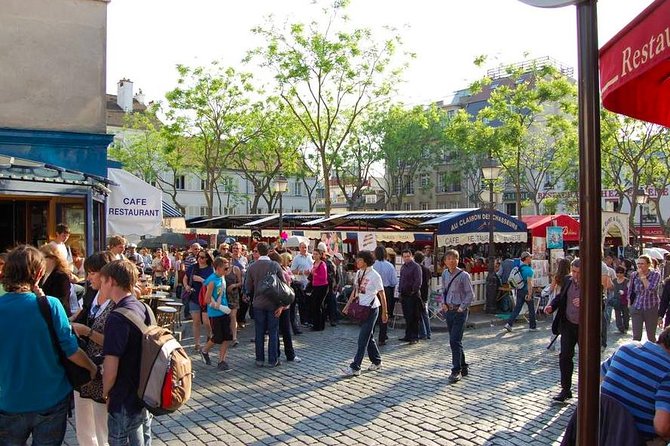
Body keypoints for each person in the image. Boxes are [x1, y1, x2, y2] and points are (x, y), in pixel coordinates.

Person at [0, 245, 97, 445]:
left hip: (9, 399)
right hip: (50, 398)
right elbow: (71, 351)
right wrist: (92, 367)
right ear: (38, 274)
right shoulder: (50, 305)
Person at [101, 259, 154, 446]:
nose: (101, 286)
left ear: (112, 281)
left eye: (103, 281)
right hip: (142, 391)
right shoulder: (142, 307)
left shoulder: (117, 317)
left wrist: (106, 393)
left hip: (123, 394)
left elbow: (111, 364)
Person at [70, 251, 115, 446]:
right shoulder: (91, 294)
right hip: (82, 367)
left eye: (92, 273)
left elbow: (116, 343)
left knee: (102, 428)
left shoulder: (116, 302)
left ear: (106, 275)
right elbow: (77, 317)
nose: (87, 277)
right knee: (84, 428)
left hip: (103, 372)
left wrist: (87, 332)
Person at [600, 326, 670, 442]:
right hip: (634, 439)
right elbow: (661, 427)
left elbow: (599, 375)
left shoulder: (626, 348)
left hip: (601, 430)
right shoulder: (667, 371)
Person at [342, 250, 388, 376]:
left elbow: (382, 294)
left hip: (372, 309)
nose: (357, 261)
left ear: (366, 261)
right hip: (361, 308)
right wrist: (347, 305)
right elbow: (355, 291)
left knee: (363, 338)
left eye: (360, 260)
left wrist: (385, 312)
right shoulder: (359, 273)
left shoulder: (374, 275)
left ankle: (356, 367)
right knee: (369, 337)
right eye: (357, 259)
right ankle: (377, 361)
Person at [544, 258, 581, 402]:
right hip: (568, 324)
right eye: (574, 272)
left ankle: (586, 389)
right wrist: (552, 306)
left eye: (579, 272)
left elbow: (600, 302)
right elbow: (561, 297)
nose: (576, 275)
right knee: (565, 357)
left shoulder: (592, 281)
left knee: (586, 359)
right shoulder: (568, 280)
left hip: (584, 327)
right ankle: (565, 389)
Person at [246, 242, 285, 367]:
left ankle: (259, 359)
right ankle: (273, 360)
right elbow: (283, 285)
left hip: (258, 303)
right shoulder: (275, 265)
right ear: (268, 251)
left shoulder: (252, 267)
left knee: (259, 332)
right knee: (273, 332)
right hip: (273, 302)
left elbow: (248, 286)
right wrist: (282, 305)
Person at [440, 250, 474, 384]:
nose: (451, 261)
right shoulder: (444, 274)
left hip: (459, 311)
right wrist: (443, 303)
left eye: (454, 259)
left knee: (454, 340)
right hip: (449, 310)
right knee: (456, 340)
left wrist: (462, 307)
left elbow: (470, 294)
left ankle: (456, 370)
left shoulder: (464, 275)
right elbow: (443, 290)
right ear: (445, 261)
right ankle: (464, 366)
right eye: (448, 259)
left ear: (458, 260)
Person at [200, 257, 233, 371]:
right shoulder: (212, 281)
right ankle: (204, 350)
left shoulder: (221, 277)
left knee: (227, 337)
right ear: (218, 268)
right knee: (218, 337)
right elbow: (207, 299)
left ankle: (221, 361)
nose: (227, 270)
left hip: (224, 312)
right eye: (226, 268)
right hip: (215, 314)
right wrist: (220, 307)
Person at [270, 252, 301, 363]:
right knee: (280, 330)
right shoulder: (276, 272)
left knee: (283, 330)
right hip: (281, 304)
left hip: (283, 304)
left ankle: (284, 354)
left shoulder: (280, 270)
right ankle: (282, 354)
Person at [182, 249, 214, 351]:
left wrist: (201, 280)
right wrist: (186, 286)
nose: (200, 259)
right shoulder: (193, 267)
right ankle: (197, 343)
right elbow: (185, 278)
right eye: (198, 257)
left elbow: (212, 284)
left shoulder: (211, 269)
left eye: (203, 257)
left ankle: (209, 336)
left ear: (207, 258)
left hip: (206, 298)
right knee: (196, 321)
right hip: (194, 297)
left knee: (206, 322)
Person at [629, 254, 661, 342]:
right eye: (638, 263)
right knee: (636, 336)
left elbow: (651, 289)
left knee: (651, 336)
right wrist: (630, 305)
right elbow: (630, 290)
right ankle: (636, 354)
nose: (639, 265)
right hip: (637, 306)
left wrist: (643, 277)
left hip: (650, 307)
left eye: (642, 263)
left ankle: (651, 354)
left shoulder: (655, 274)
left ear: (648, 264)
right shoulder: (634, 275)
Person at [504, 251, 536, 332]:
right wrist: (529, 294)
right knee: (531, 309)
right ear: (526, 258)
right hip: (526, 291)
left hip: (519, 290)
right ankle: (532, 327)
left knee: (517, 309)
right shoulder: (529, 270)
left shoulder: (519, 268)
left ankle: (509, 324)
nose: (531, 259)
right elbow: (529, 283)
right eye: (530, 257)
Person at [39, 243, 74, 316]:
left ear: (53, 258)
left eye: (42, 258)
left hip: (58, 316)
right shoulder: (42, 275)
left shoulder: (61, 276)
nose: (39, 261)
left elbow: (61, 301)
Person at [373, 245, 398, 346]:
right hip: (386, 291)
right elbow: (394, 282)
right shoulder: (390, 266)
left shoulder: (372, 266)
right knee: (384, 313)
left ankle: (370, 336)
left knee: (373, 314)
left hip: (374, 292)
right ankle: (382, 338)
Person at [398, 249, 423, 344]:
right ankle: (408, 335)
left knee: (414, 316)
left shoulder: (416, 267)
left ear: (411, 256)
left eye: (408, 256)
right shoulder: (403, 267)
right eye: (404, 257)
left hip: (412, 295)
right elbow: (401, 280)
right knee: (407, 316)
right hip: (404, 295)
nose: (406, 258)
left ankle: (414, 337)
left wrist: (413, 291)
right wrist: (400, 291)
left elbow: (418, 281)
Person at [291, 242, 313, 327]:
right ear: (299, 248)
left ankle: (310, 319)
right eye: (303, 247)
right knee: (302, 302)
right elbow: (293, 270)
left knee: (310, 302)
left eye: (306, 247)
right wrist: (303, 272)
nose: (304, 249)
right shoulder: (296, 258)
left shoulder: (311, 256)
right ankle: (304, 321)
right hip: (301, 283)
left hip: (310, 283)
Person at [222, 254, 243, 347]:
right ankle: (224, 335)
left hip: (233, 295)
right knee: (224, 316)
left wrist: (234, 285)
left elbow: (240, 282)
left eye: (230, 259)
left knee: (233, 316)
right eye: (226, 260)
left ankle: (234, 338)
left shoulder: (235, 269)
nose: (228, 261)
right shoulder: (220, 269)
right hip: (222, 295)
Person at [309, 247, 329, 331]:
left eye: (316, 254)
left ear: (320, 255)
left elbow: (324, 277)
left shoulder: (322, 264)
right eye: (313, 254)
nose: (315, 255)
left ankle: (319, 325)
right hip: (315, 286)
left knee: (318, 305)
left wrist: (315, 273)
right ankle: (316, 324)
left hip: (322, 286)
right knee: (314, 305)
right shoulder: (314, 263)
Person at [415, 251, 432, 341]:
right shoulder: (427, 269)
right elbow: (429, 281)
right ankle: (428, 333)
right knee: (425, 314)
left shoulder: (416, 268)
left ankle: (423, 333)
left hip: (418, 294)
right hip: (425, 294)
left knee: (419, 315)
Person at [613, 266, 631, 333]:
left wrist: (624, 292)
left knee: (625, 314)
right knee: (617, 314)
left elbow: (630, 290)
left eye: (621, 273)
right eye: (617, 272)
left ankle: (626, 326)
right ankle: (620, 327)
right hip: (616, 300)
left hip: (625, 300)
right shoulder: (614, 280)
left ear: (624, 273)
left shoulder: (627, 281)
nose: (619, 274)